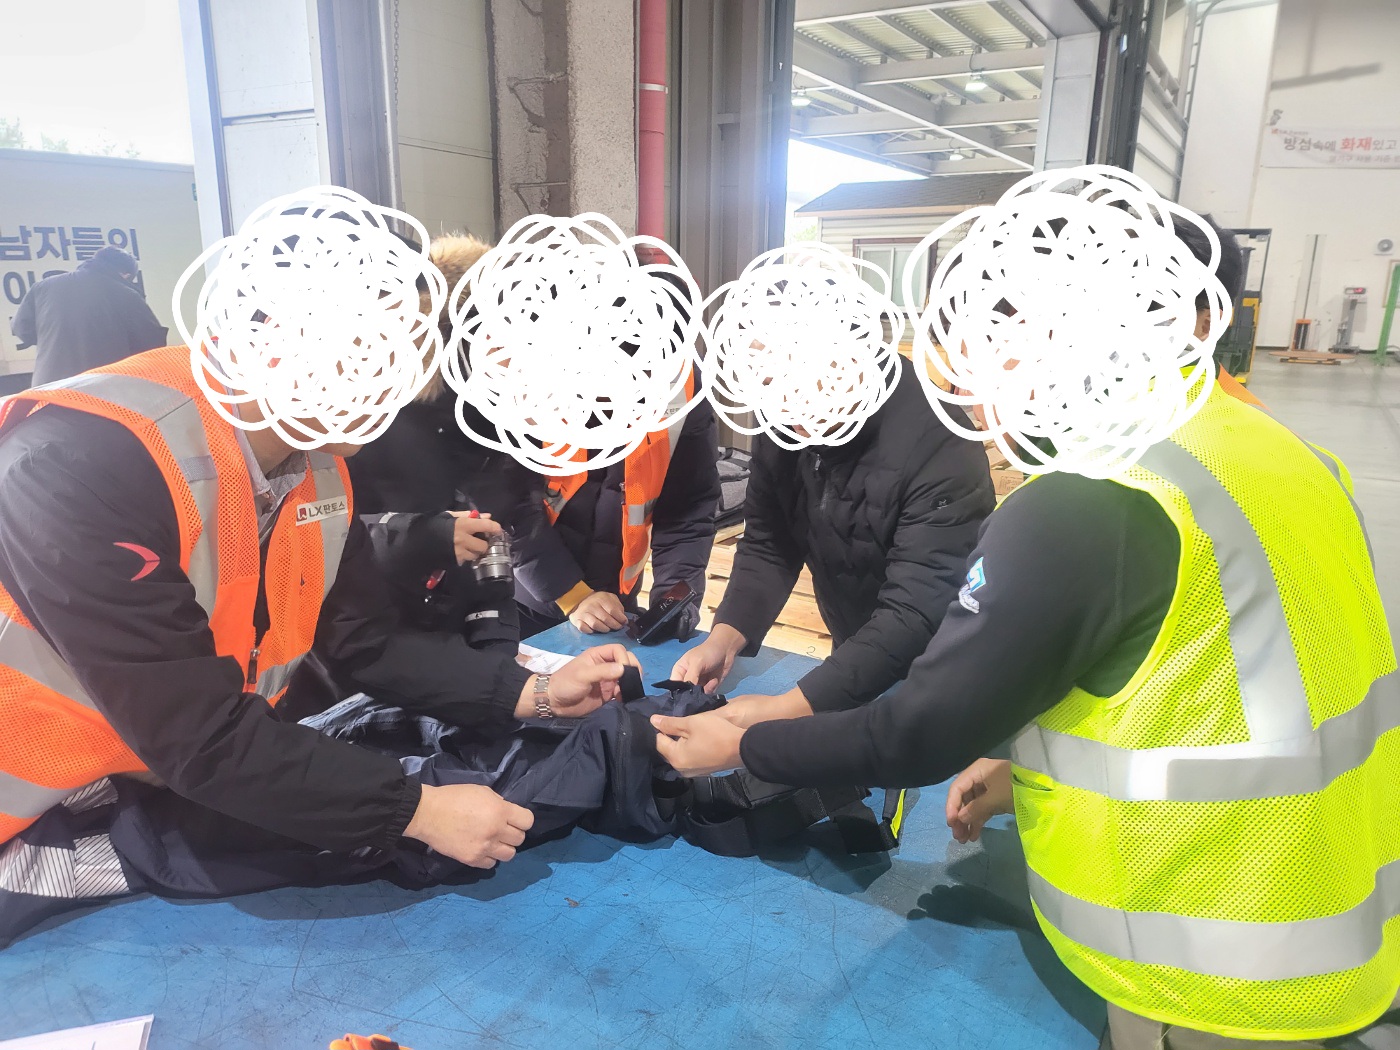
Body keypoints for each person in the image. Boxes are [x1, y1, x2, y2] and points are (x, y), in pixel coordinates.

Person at [651, 200, 1398, 1046]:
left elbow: (917, 733)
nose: (974, 390)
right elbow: (1211, 677)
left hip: (1213, 958)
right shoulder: (1283, 453)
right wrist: (1025, 771)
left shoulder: (1086, 502)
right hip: (1338, 909)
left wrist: (746, 744)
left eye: (992, 343)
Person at [0, 203, 642, 881]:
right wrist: (415, 811)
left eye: (411, 350)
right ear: (277, 331)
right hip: (35, 819)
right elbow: (199, 734)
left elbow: (365, 642)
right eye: (375, 347)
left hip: (152, 792)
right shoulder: (78, 463)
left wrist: (536, 694)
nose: (397, 379)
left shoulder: (318, 465)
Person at [667, 352, 995, 719]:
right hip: (854, 656)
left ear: (852, 354)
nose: (788, 408)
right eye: (770, 385)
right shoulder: (782, 416)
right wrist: (724, 639)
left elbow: (915, 610)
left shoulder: (937, 438)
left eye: (801, 383)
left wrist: (782, 710)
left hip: (941, 673)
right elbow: (770, 543)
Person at [345, 234, 542, 658]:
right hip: (377, 638)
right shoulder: (368, 414)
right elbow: (335, 544)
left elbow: (500, 524)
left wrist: (496, 642)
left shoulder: (495, 412)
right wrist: (423, 538)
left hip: (450, 641)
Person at [513, 253, 722, 638]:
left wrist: (674, 598)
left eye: (651, 375)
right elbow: (506, 510)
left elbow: (688, 509)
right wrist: (571, 594)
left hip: (614, 606)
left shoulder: (682, 388)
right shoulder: (525, 384)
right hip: (518, 601)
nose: (638, 394)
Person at [11, 246, 168, 385]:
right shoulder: (127, 295)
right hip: (100, 390)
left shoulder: (42, 287)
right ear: (125, 275)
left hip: (49, 388)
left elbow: (22, 329)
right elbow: (152, 346)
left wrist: (56, 340)